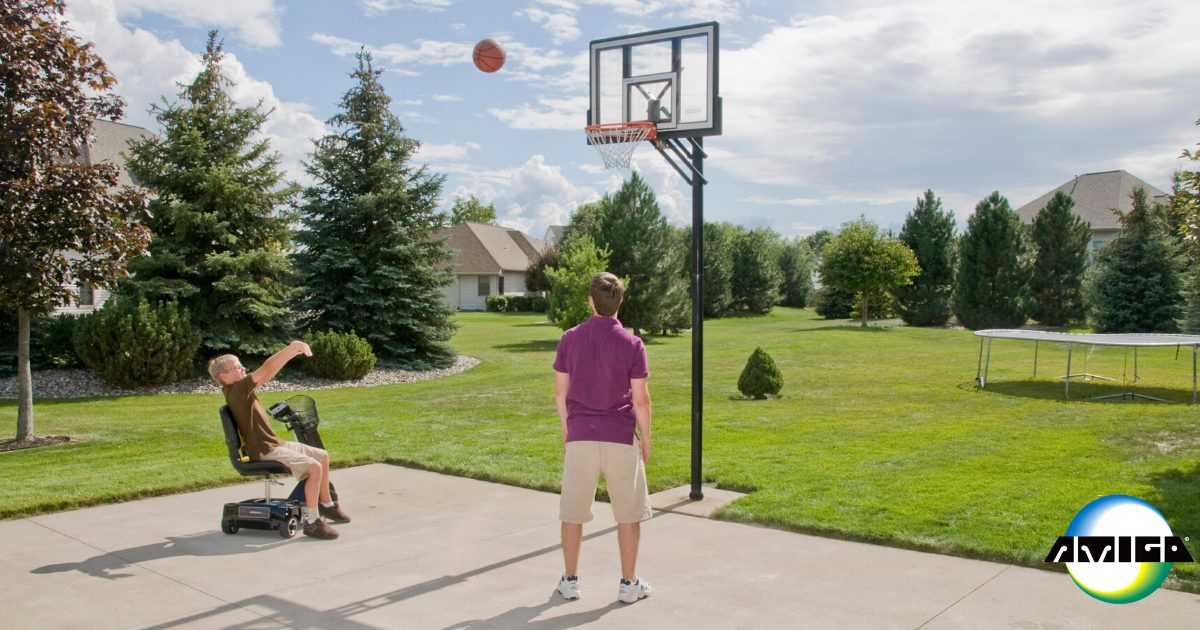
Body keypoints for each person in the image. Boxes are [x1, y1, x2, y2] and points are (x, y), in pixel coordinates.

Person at [553, 272, 653, 604]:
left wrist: (569, 431)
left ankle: (570, 580)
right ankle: (628, 584)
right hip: (620, 437)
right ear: (619, 303)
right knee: (628, 513)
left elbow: (560, 394)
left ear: (591, 302)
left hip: (580, 435)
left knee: (573, 511)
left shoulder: (570, 338)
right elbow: (641, 400)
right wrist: (647, 439)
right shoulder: (632, 343)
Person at [208, 341, 351, 540]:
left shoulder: (239, 390)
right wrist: (292, 346)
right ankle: (312, 521)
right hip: (264, 449)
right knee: (313, 467)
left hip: (274, 443)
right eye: (237, 367)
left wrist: (293, 354)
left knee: (322, 456)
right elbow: (265, 368)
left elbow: (268, 374)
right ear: (224, 376)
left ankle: (327, 505)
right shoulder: (237, 390)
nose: (242, 368)